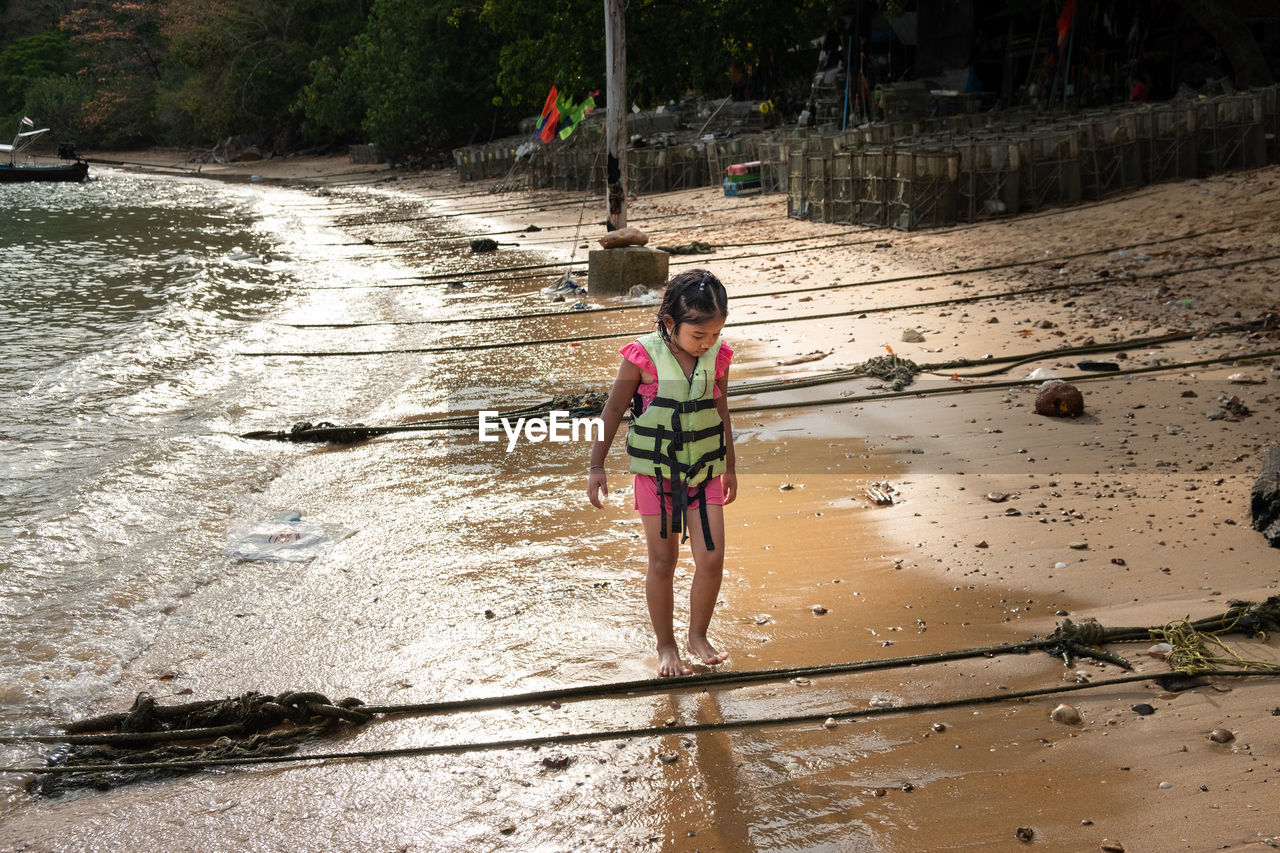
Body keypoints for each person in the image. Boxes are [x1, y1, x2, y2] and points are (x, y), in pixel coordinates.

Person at [587, 269, 737, 677]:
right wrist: (597, 465)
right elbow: (613, 411)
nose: (707, 343)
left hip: (704, 471)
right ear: (670, 323)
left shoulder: (718, 356)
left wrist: (731, 467)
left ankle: (698, 636)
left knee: (712, 557)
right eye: (698, 336)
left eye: (714, 334)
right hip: (657, 476)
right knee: (662, 561)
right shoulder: (642, 357)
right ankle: (666, 645)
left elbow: (721, 412)